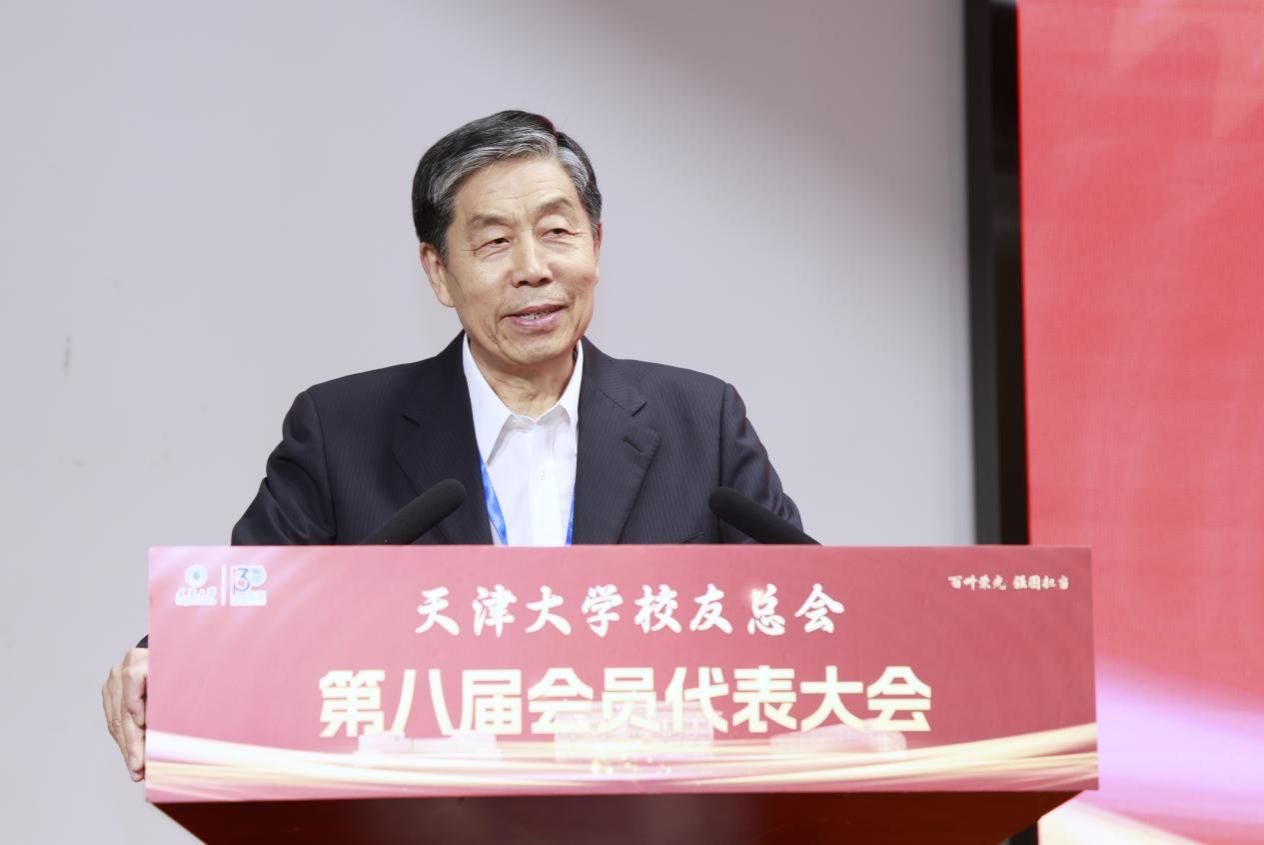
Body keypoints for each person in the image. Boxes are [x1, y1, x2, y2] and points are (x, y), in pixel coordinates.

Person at [101, 110, 800, 781]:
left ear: (596, 244)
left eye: (557, 231)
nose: (533, 268)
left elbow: (804, 618)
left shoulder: (700, 419)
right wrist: (165, 658)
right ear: (438, 271)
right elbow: (251, 601)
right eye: (494, 242)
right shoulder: (340, 430)